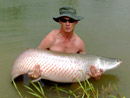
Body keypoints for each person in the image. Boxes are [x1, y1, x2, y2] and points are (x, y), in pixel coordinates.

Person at [28, 6, 103, 80]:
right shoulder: (51, 38)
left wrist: (96, 77)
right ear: (60, 21)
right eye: (64, 20)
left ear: (76, 22)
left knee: (79, 89)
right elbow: (35, 57)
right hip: (49, 77)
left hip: (69, 78)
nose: (67, 24)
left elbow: (84, 67)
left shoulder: (79, 43)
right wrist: (33, 74)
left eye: (71, 20)